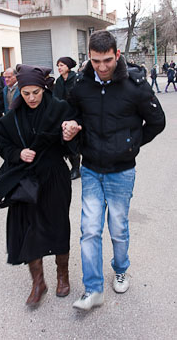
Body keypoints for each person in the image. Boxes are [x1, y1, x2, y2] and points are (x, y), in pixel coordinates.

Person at [62, 31, 166, 311]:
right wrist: (71, 127)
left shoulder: (135, 84)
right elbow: (72, 115)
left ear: (117, 55)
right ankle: (93, 289)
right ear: (90, 58)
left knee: (118, 229)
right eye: (96, 61)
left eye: (107, 60)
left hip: (122, 171)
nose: (102, 67)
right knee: (89, 230)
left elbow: (157, 121)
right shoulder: (82, 85)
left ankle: (120, 269)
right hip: (92, 169)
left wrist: (130, 145)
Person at [0, 64, 76, 306]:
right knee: (29, 229)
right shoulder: (10, 119)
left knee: (58, 225)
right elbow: (3, 145)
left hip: (55, 175)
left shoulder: (60, 109)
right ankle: (38, 282)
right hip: (26, 179)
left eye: (36, 92)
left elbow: (74, 146)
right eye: (26, 93)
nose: (32, 98)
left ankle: (62, 276)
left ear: (44, 88)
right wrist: (18, 153)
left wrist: (70, 135)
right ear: (20, 91)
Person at [54, 57, 81, 180]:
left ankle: (76, 169)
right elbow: (55, 98)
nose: (59, 68)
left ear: (68, 67)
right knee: (65, 142)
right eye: (58, 65)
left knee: (73, 143)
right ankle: (72, 167)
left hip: (75, 115)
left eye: (62, 65)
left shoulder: (76, 79)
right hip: (61, 115)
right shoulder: (58, 81)